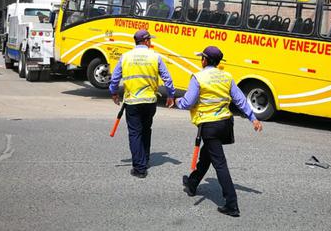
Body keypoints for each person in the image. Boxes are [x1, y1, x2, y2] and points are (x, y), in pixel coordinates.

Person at [175, 46, 263, 217]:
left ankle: (232, 204)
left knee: (219, 163)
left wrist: (178, 101)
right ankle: (192, 184)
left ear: (205, 60)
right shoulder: (226, 76)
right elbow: (240, 100)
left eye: (202, 58)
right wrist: (253, 118)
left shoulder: (198, 77)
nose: (201, 60)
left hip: (210, 125)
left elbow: (188, 102)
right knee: (207, 155)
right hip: (225, 124)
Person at [109, 29, 175, 178]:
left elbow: (115, 78)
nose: (151, 42)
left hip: (132, 101)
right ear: (146, 41)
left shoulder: (125, 57)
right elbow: (167, 78)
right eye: (150, 40)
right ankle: (144, 159)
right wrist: (170, 95)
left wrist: (114, 93)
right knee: (146, 129)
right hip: (150, 101)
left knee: (135, 133)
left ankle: (139, 168)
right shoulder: (155, 57)